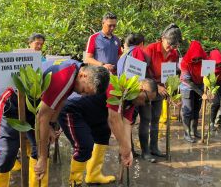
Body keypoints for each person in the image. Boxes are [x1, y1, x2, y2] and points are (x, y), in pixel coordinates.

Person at [60, 78, 157, 186]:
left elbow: (126, 124)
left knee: (103, 133)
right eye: (147, 100)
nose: (145, 104)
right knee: (85, 146)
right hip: (73, 109)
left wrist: (128, 151)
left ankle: (93, 175)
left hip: (92, 113)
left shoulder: (131, 101)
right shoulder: (118, 87)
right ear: (141, 89)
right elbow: (113, 119)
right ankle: (75, 183)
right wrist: (123, 146)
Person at [141, 23, 182, 162]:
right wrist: (155, 86)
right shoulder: (150, 49)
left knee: (156, 118)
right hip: (147, 88)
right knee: (146, 119)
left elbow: (172, 74)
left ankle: (154, 147)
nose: (171, 48)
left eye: (174, 46)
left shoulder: (174, 53)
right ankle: (145, 152)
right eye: (169, 44)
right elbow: (143, 71)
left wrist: (172, 91)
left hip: (162, 90)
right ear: (162, 38)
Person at [180, 40, 207, 143]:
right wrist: (201, 93)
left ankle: (194, 131)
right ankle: (187, 134)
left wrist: (206, 89)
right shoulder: (185, 62)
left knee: (196, 109)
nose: (196, 60)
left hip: (200, 85)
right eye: (194, 59)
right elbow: (187, 80)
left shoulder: (205, 60)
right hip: (187, 86)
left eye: (199, 58)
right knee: (188, 111)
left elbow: (208, 74)